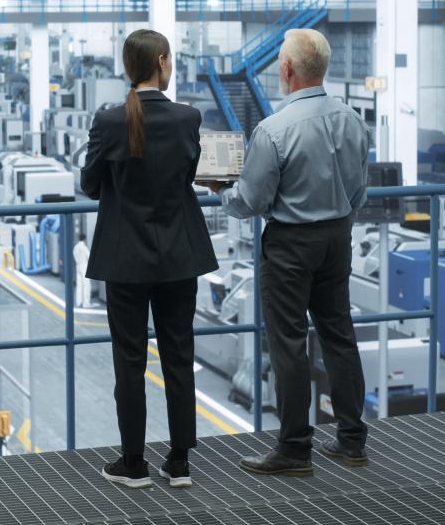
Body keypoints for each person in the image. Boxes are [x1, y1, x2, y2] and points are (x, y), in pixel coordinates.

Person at [203, 28, 370, 473]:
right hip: (337, 239)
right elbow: (359, 191)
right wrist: (338, 224)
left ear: (288, 68)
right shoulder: (353, 119)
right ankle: (352, 440)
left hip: (291, 246)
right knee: (339, 335)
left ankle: (295, 448)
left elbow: (250, 202)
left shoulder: (273, 129)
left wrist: (222, 190)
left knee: (289, 344)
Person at [80, 28, 218, 489]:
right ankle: (179, 462)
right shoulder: (188, 117)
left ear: (129, 66)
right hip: (179, 256)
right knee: (179, 355)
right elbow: (194, 173)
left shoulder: (110, 120)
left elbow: (89, 183)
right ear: (162, 62)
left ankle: (133, 463)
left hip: (126, 261)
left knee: (130, 361)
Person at [73, 233, 92, 308]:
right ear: (84, 239)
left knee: (79, 285)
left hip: (78, 266)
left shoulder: (76, 247)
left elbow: (75, 256)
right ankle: (86, 303)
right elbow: (89, 256)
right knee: (86, 285)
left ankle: (78, 302)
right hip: (84, 266)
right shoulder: (83, 247)